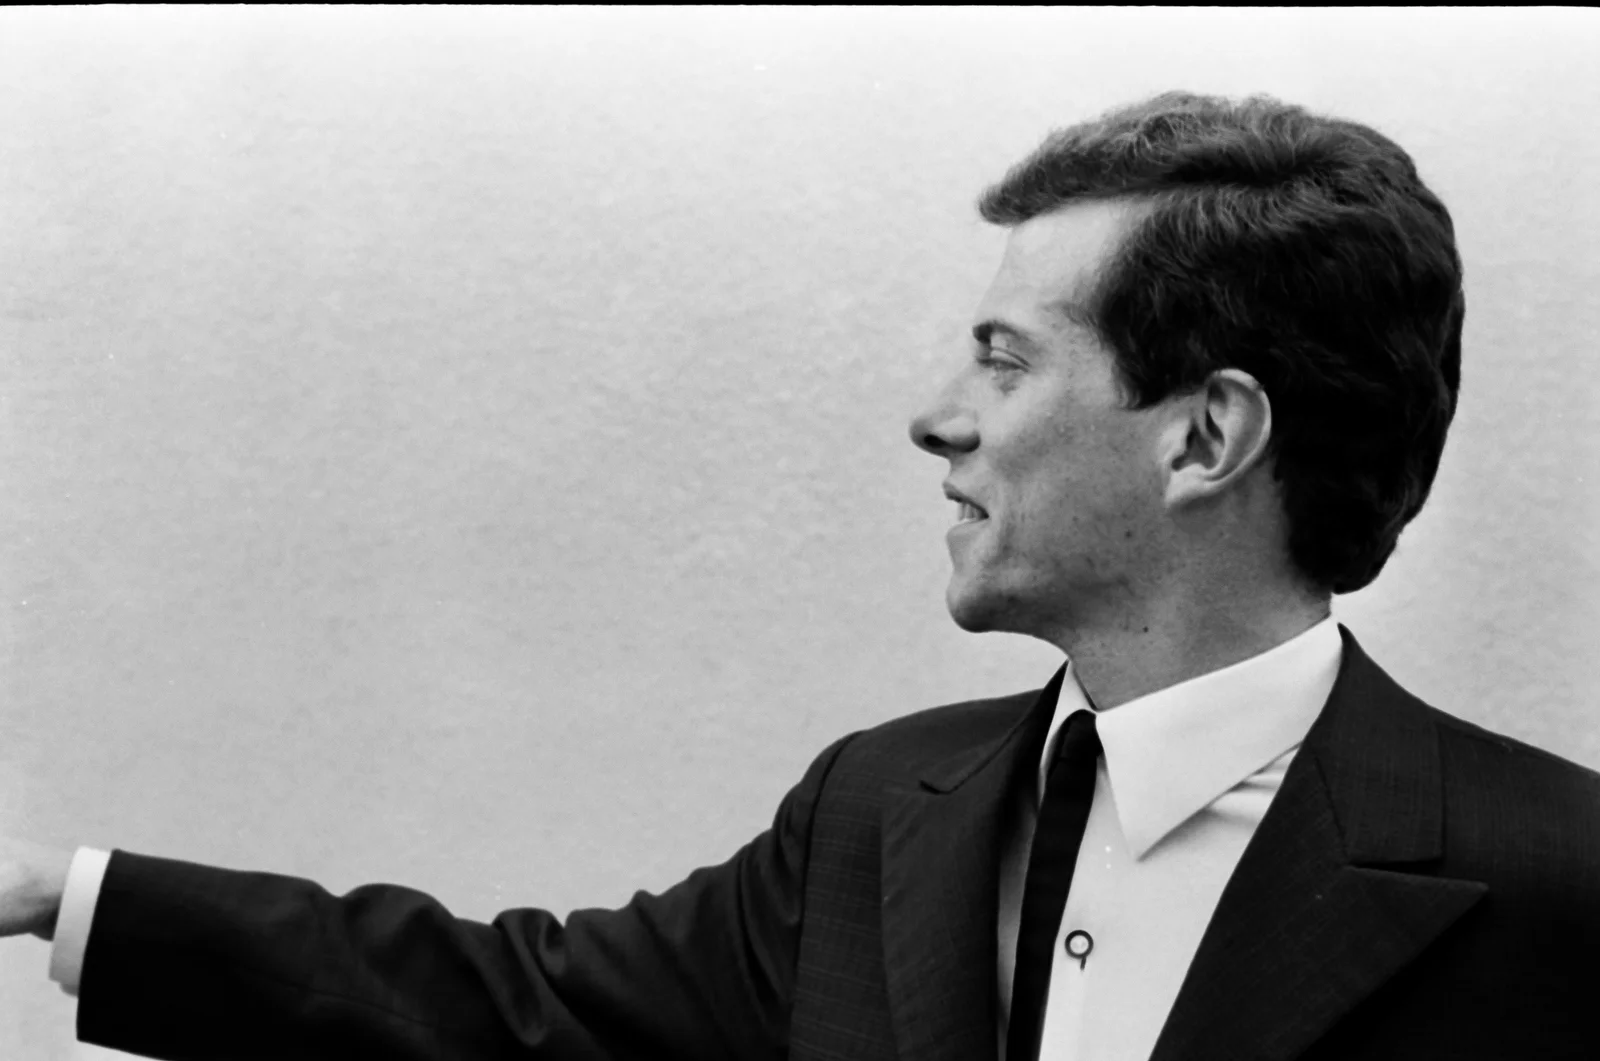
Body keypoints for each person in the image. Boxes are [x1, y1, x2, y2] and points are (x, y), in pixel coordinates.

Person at [3, 90, 1597, 1061]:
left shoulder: (1563, 890)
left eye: (1005, 358)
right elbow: (513, 1009)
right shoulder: (876, 814)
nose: (937, 417)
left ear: (1205, 438)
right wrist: (53, 892)